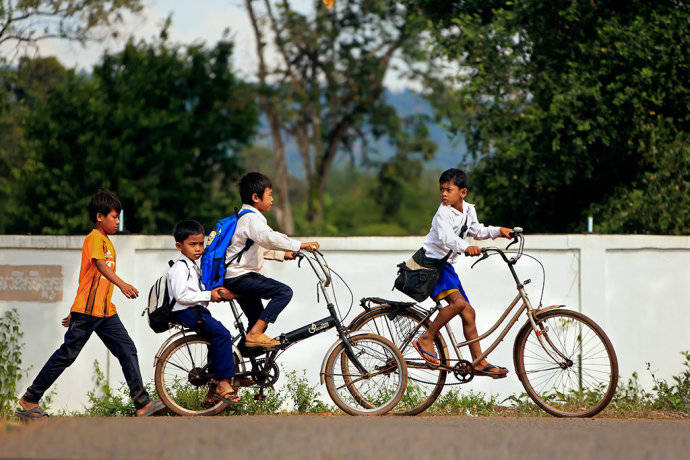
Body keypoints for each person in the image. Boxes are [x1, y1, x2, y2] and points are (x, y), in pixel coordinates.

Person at [16, 190, 164, 419]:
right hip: (89, 311)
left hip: (105, 312)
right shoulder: (94, 238)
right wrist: (122, 285)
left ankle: (142, 403)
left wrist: (73, 310)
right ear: (99, 217)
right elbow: (100, 267)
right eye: (114, 217)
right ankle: (29, 400)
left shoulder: (107, 242)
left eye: (118, 217)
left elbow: (88, 278)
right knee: (67, 355)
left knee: (127, 349)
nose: (117, 221)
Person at [413, 168, 514, 378]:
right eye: (441, 190)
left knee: (468, 313)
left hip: (445, 266)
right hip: (432, 265)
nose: (443, 194)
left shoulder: (468, 210)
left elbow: (477, 231)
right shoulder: (443, 213)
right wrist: (466, 247)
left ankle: (478, 362)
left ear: (463, 192)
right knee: (458, 304)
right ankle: (427, 338)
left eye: (448, 190)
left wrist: (498, 231)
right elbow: (446, 238)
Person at [223, 172, 320, 348]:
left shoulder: (246, 218)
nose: (272, 199)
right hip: (240, 277)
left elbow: (257, 247)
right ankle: (254, 335)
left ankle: (245, 363)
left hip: (235, 276)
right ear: (255, 197)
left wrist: (283, 254)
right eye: (269, 194)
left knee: (258, 318)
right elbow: (269, 238)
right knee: (283, 292)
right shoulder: (251, 219)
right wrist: (301, 245)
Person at [167, 219, 241, 405]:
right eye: (192, 244)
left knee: (215, 340)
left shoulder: (193, 266)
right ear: (179, 246)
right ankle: (223, 384)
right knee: (222, 334)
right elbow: (182, 295)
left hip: (195, 311)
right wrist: (209, 295)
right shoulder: (179, 267)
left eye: (201, 244)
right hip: (186, 311)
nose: (198, 249)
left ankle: (212, 391)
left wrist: (217, 293)